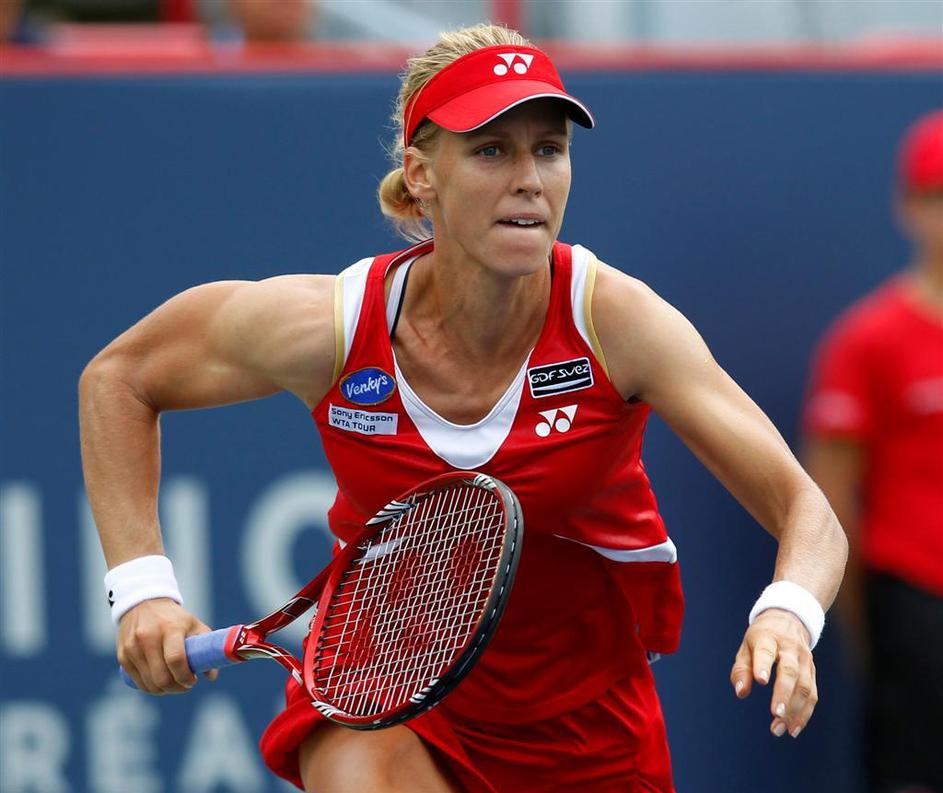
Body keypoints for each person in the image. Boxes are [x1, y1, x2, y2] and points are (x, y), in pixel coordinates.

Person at [79, 23, 847, 793]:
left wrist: (786, 611)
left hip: (587, 723)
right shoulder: (329, 328)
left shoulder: (616, 323)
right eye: (491, 151)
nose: (529, 180)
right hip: (381, 689)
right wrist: (142, 590)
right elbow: (120, 378)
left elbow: (806, 511)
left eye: (549, 150)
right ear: (421, 174)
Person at [802, 110, 943, 793]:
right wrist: (868, 631)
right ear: (907, 207)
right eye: (936, 197)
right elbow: (826, 502)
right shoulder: (867, 339)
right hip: (915, 605)